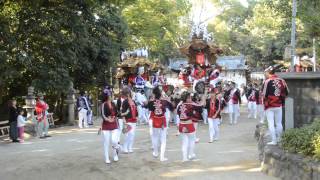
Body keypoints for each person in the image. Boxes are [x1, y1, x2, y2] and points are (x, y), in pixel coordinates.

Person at [145, 86, 173, 161]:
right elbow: (172, 108)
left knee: (155, 137)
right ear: (160, 94)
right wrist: (168, 101)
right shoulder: (164, 101)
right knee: (163, 139)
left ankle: (156, 152)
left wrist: (149, 101)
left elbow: (146, 106)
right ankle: (162, 157)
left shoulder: (151, 102)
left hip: (155, 120)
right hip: (162, 121)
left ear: (154, 94)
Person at [262, 66, 289, 145]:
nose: (265, 74)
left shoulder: (267, 81)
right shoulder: (282, 80)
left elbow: (263, 94)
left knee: (271, 123)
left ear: (268, 72)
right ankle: (280, 139)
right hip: (279, 104)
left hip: (269, 105)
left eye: (265, 73)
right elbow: (287, 92)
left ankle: (274, 140)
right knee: (279, 123)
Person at [177, 91, 205, 162]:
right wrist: (203, 99)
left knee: (184, 142)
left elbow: (178, 113)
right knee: (192, 140)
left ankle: (184, 158)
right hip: (189, 124)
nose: (191, 99)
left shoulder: (180, 105)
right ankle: (191, 154)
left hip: (181, 125)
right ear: (187, 98)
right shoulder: (191, 105)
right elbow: (200, 107)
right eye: (189, 97)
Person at [101, 88, 120, 164]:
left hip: (114, 124)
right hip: (106, 125)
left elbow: (116, 113)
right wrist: (107, 119)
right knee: (106, 142)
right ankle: (107, 157)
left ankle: (115, 154)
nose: (112, 96)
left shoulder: (113, 104)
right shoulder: (103, 104)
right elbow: (102, 114)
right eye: (111, 94)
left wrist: (115, 117)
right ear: (108, 96)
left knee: (114, 141)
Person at [121, 87, 138, 153]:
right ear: (127, 94)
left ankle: (130, 147)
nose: (131, 93)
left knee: (132, 134)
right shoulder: (125, 102)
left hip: (134, 120)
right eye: (129, 92)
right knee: (127, 134)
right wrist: (124, 120)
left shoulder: (133, 101)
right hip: (128, 120)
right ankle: (125, 147)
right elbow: (123, 111)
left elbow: (136, 110)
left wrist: (137, 116)